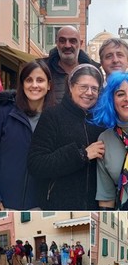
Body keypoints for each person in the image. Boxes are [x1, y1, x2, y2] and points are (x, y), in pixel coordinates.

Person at [0, 59, 55, 210]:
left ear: (48, 85)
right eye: (29, 80)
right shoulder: (5, 114)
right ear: (22, 84)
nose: (34, 85)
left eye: (40, 80)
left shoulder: (55, 118)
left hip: (40, 205)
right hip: (4, 204)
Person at [28, 63, 105, 210]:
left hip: (96, 208)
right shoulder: (53, 116)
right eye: (83, 87)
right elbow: (36, 164)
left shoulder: (102, 121)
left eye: (94, 88)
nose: (89, 92)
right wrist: (82, 154)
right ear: (70, 86)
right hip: (59, 206)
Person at [90, 71, 128, 210]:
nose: (126, 98)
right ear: (111, 101)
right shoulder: (105, 139)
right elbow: (106, 197)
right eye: (120, 94)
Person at [43, 25, 100, 104]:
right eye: (62, 41)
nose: (67, 45)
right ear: (57, 43)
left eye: (72, 41)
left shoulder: (94, 71)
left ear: (81, 43)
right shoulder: (44, 69)